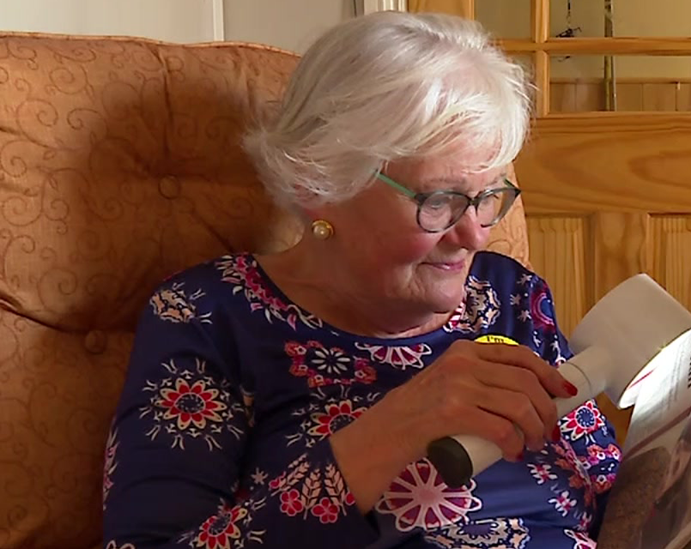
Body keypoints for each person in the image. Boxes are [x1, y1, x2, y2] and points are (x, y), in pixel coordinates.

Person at [101, 10, 620, 549]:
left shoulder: (508, 294)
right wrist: (401, 423)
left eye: (489, 197)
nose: (475, 237)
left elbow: (607, 491)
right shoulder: (209, 316)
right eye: (439, 200)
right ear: (318, 185)